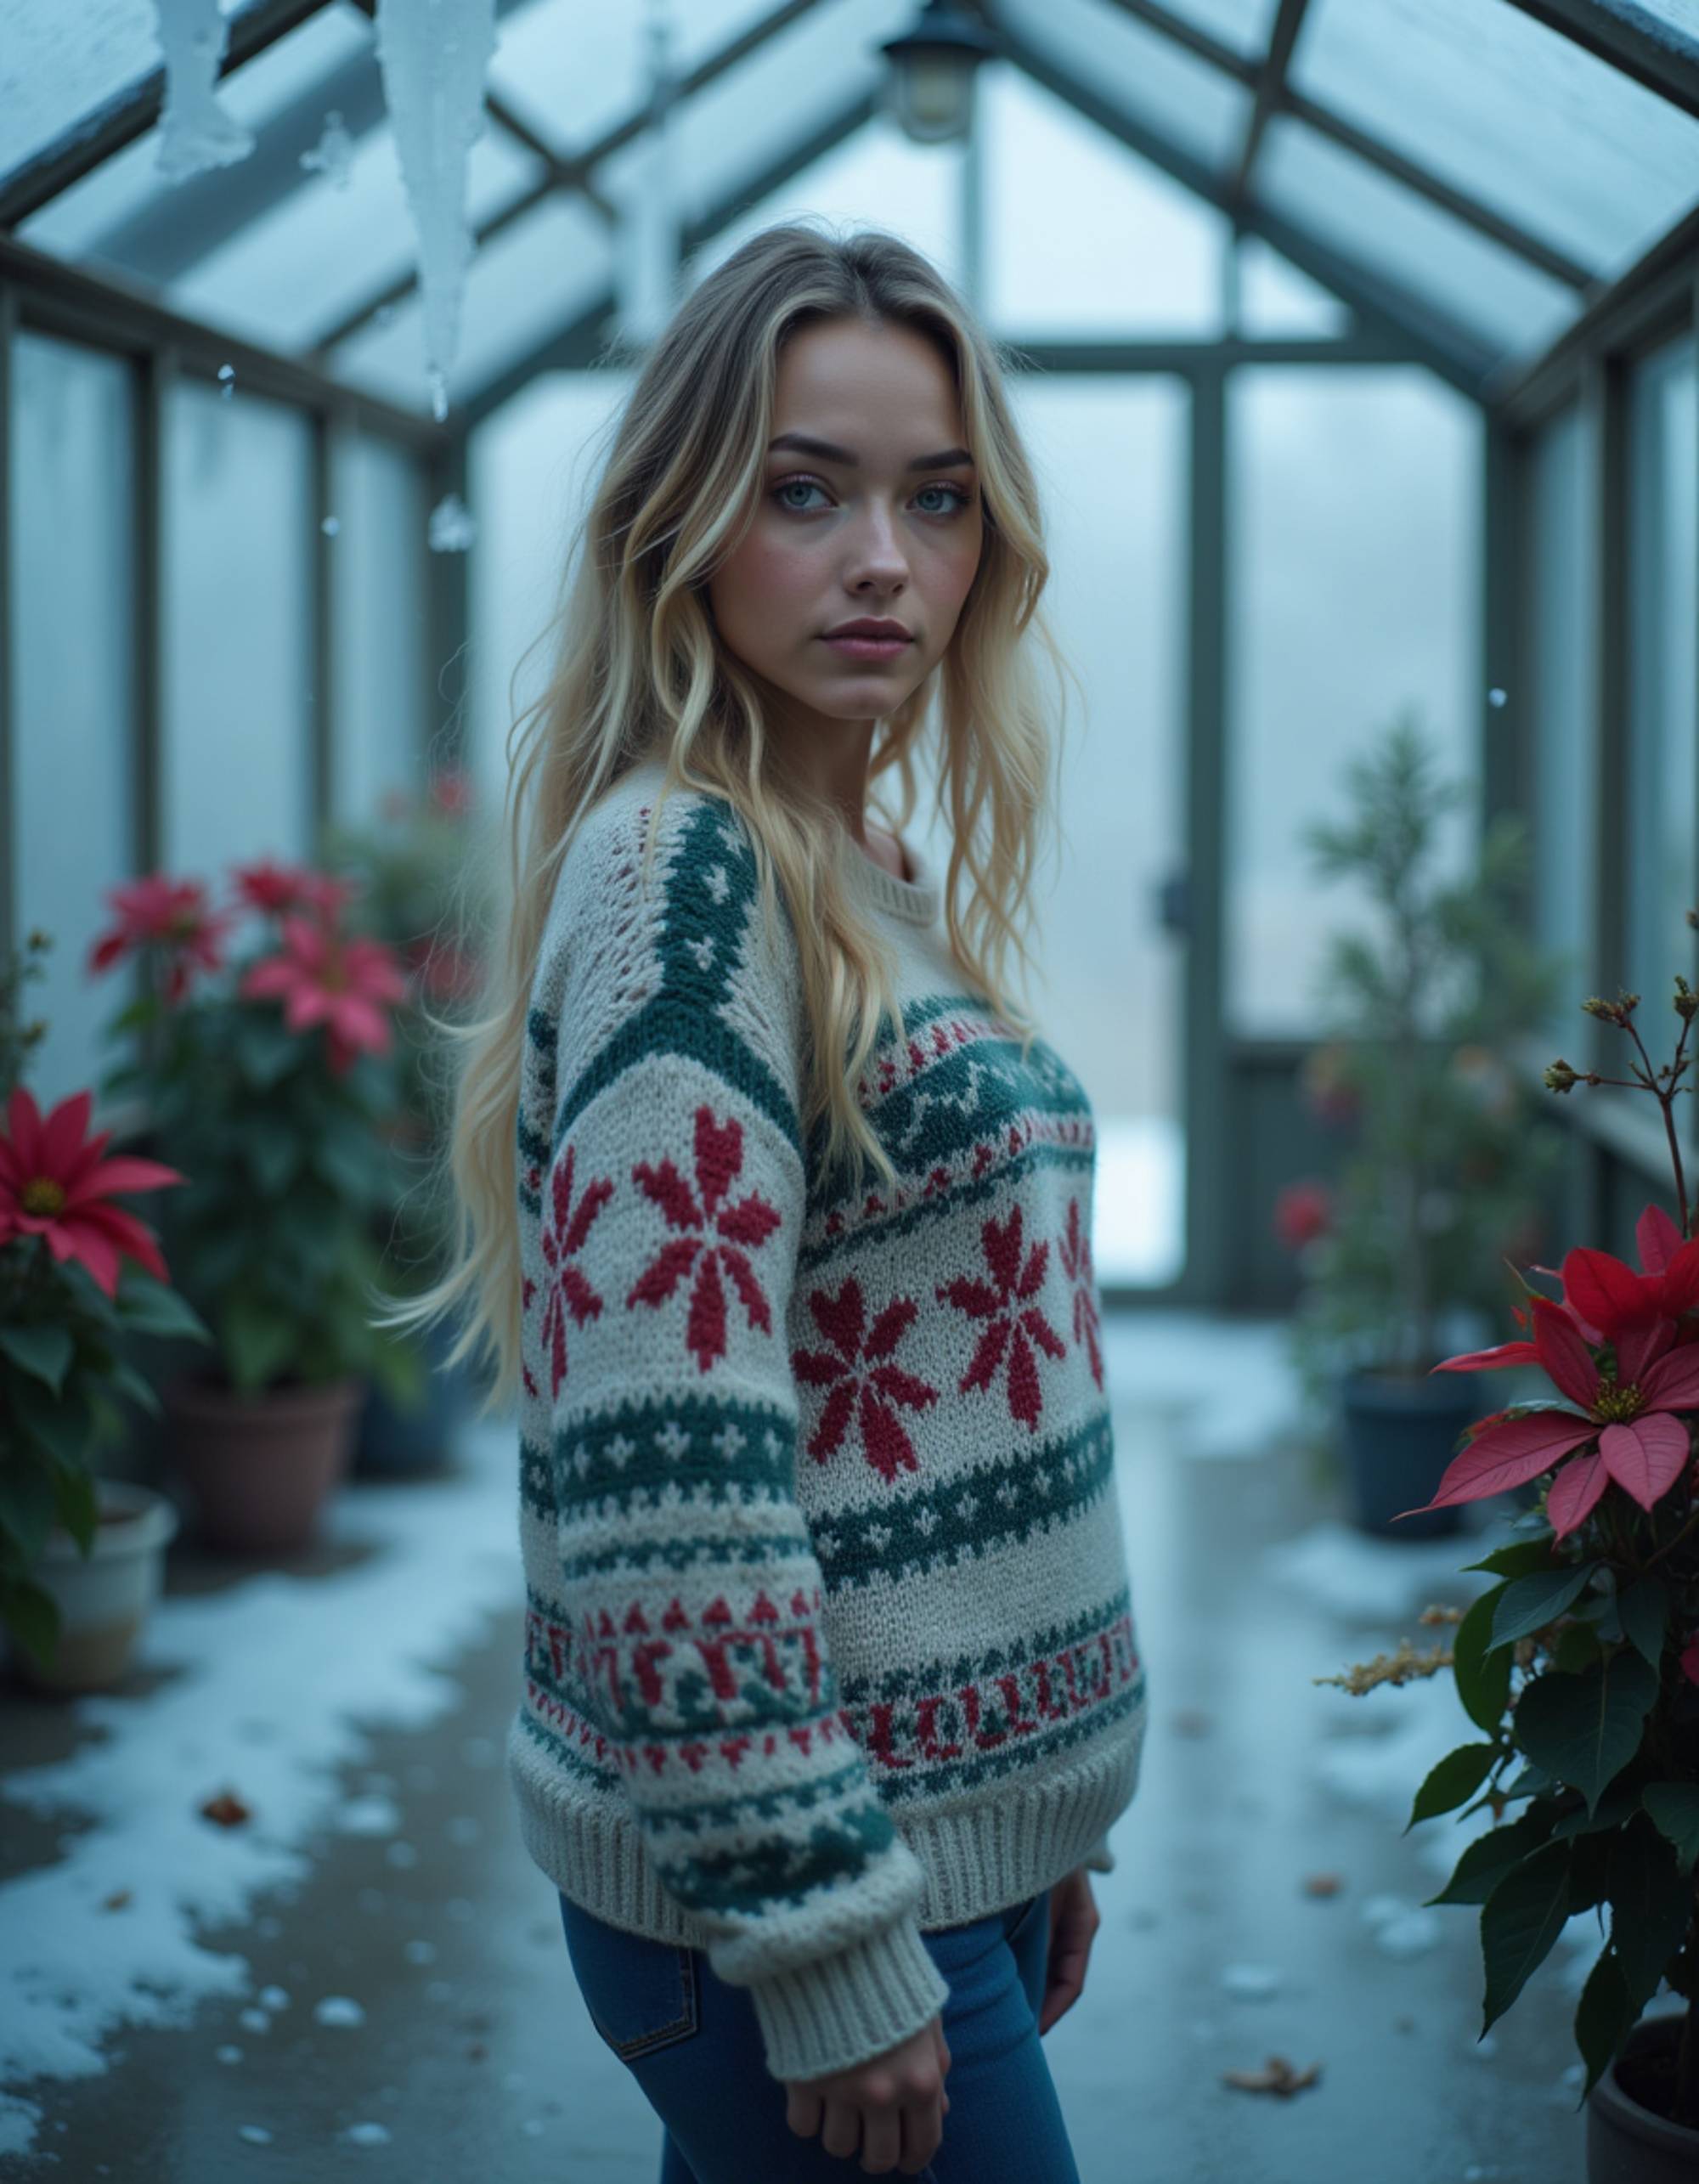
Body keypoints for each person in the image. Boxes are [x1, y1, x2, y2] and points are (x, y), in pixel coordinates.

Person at [385, 221, 1149, 2181]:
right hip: (793, 1894)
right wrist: (829, 1930)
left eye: (937, 497)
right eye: (806, 491)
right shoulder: (691, 879)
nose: (883, 556)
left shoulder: (847, 852)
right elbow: (668, 1469)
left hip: (912, 1852)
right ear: (684, 524)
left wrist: (1017, 1824)